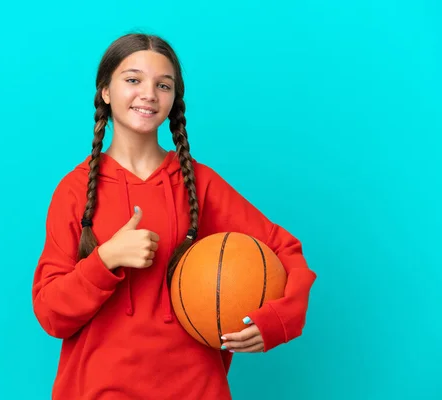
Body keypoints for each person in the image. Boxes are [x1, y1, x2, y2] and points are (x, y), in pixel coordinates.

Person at [32, 33, 317, 399]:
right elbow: (51, 314)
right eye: (133, 80)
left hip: (197, 389)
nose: (148, 93)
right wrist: (106, 259)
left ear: (174, 97)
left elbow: (284, 249)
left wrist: (279, 320)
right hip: (96, 390)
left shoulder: (199, 183)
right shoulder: (74, 190)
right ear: (105, 90)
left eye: (162, 84)